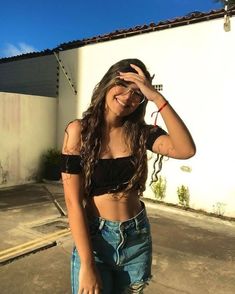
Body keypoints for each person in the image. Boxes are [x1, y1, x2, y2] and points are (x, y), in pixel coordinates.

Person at [61, 58, 196, 294]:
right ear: (108, 83)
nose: (127, 96)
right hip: (96, 240)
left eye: (137, 93)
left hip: (137, 238)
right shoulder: (78, 132)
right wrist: (87, 264)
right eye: (123, 85)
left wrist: (156, 97)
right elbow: (73, 203)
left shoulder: (141, 134)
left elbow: (186, 150)